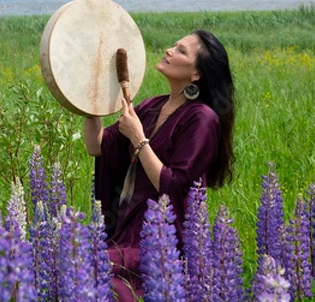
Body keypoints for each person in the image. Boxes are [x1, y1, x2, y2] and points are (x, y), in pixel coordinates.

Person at [83, 29, 235, 300]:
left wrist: (138, 138)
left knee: (96, 273)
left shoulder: (202, 118)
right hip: (124, 226)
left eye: (181, 51)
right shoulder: (152, 106)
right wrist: (88, 101)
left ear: (196, 74)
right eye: (173, 44)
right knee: (78, 264)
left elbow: (173, 185)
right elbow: (97, 146)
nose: (169, 50)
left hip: (160, 239)